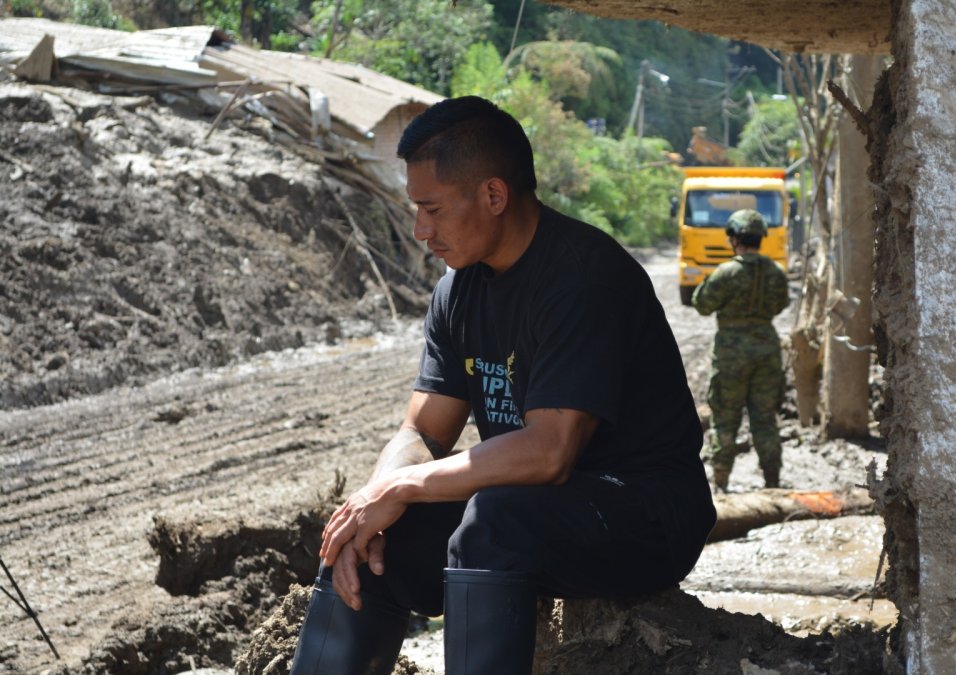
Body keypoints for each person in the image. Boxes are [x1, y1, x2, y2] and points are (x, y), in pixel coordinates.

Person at [288, 96, 716, 675]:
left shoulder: (583, 277)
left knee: (492, 522)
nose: (420, 230)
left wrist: (402, 488)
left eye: (433, 209)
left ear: (493, 195)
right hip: (533, 505)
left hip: (644, 510)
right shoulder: (457, 289)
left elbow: (548, 452)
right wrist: (375, 501)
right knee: (365, 540)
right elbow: (421, 430)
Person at [692, 209, 790, 492]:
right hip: (767, 349)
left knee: (725, 416)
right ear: (760, 238)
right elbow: (780, 304)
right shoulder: (775, 271)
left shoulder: (726, 272)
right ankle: (773, 481)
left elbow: (701, 304)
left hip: (731, 352)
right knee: (765, 418)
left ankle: (720, 483)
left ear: (734, 238)